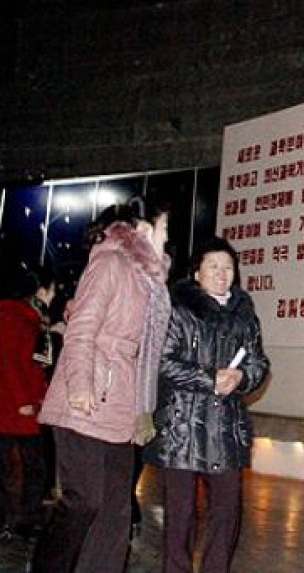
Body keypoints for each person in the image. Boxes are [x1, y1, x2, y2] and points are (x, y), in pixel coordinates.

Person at [31, 196, 172, 572]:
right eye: (164, 228)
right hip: (88, 394)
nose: (167, 237)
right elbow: (82, 329)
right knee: (84, 500)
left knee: (116, 513)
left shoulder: (154, 286)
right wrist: (79, 384)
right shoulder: (110, 261)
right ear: (141, 228)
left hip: (123, 403)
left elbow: (151, 352)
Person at [144, 236, 269, 573]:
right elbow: (162, 362)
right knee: (180, 518)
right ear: (197, 273)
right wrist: (210, 378)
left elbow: (259, 363)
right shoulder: (179, 312)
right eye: (213, 266)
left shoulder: (245, 317)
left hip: (226, 429)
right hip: (182, 428)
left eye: (228, 267)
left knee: (226, 515)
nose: (222, 273)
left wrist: (242, 377)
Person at [0, 267, 55, 541]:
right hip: (17, 409)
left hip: (17, 406)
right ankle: (22, 520)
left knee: (20, 467)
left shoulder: (24, 317)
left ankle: (17, 519)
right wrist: (24, 400)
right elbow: (11, 361)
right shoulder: (16, 317)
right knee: (29, 468)